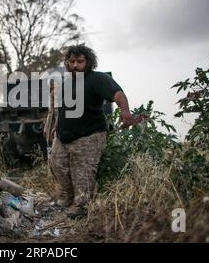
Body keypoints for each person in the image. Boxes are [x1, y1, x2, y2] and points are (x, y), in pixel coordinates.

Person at [44, 45, 143, 218]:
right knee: (56, 164)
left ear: (88, 62)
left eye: (80, 61)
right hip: (63, 136)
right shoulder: (66, 82)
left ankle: (82, 206)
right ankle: (68, 197)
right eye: (72, 61)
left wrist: (125, 111)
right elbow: (63, 108)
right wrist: (55, 126)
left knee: (81, 172)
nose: (75, 65)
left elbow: (118, 94)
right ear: (67, 63)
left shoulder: (98, 79)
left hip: (89, 135)